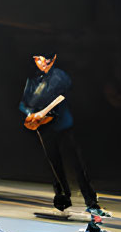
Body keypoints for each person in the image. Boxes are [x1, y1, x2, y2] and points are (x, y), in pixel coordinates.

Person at [19, 52, 103, 216]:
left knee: (76, 163)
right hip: (43, 127)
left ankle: (90, 199)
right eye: (37, 60)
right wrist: (31, 114)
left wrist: (43, 112)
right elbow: (24, 102)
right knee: (54, 162)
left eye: (43, 59)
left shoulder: (59, 76)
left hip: (63, 125)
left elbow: (62, 97)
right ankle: (62, 196)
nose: (40, 63)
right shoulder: (33, 80)